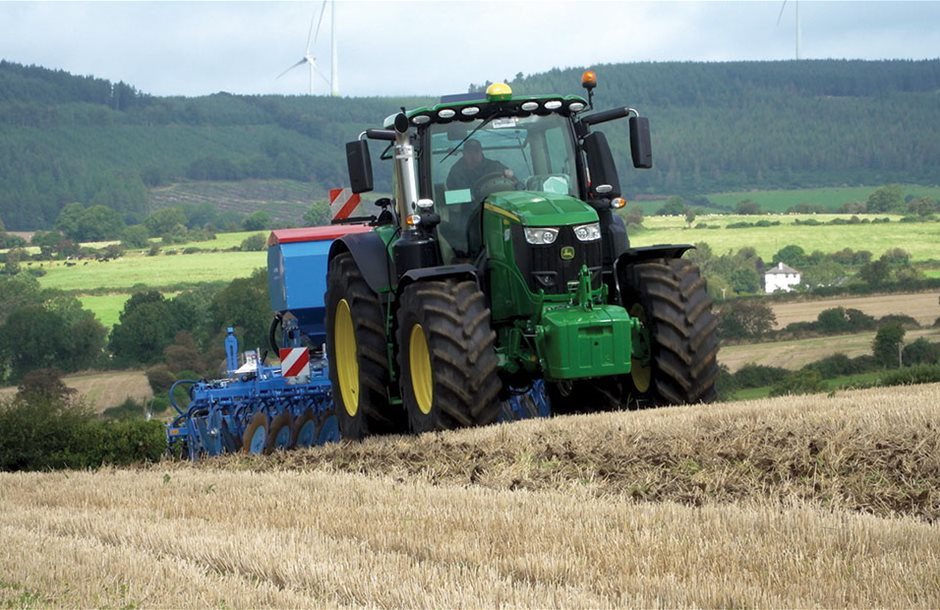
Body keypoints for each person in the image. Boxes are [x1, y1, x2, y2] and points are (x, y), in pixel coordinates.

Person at [445, 139, 514, 190]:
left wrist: (509, 174)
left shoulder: (494, 166)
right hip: (468, 208)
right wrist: (471, 195)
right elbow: (450, 197)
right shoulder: (456, 172)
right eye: (469, 152)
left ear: (481, 152)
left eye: (476, 152)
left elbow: (513, 180)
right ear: (464, 154)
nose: (473, 156)